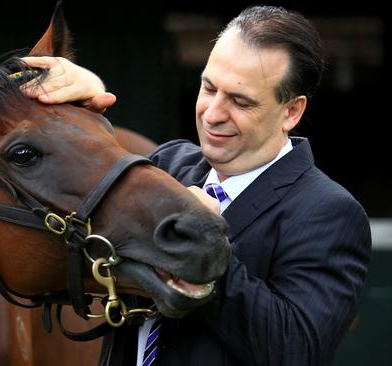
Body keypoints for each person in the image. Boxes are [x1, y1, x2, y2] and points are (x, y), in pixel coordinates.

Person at [22, 5, 372, 366]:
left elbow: (295, 350)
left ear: (291, 112)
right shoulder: (168, 165)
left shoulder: (329, 211)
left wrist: (203, 245)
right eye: (208, 88)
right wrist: (74, 113)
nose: (213, 113)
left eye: (240, 101)